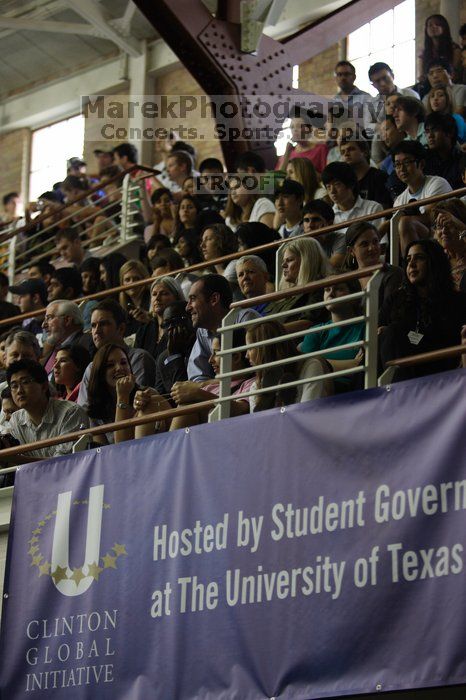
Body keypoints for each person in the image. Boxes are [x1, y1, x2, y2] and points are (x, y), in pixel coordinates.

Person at [378, 239, 466, 380]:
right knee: (389, 334)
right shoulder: (396, 299)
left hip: (439, 371)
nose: (411, 264)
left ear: (434, 263)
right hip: (402, 370)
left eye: (419, 258)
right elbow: (377, 331)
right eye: (408, 259)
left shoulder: (457, 302)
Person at [77, 298, 156, 410]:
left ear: (121, 329)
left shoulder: (139, 358)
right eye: (93, 325)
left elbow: (137, 402)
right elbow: (84, 410)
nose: (96, 331)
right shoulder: (91, 368)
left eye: (103, 324)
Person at [4, 358, 89, 461]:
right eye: (14, 386)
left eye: (25, 382)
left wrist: (15, 459)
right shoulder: (16, 419)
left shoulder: (70, 413)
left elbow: (64, 463)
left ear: (44, 386)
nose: (19, 391)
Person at [186, 274, 259, 382]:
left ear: (214, 299)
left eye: (193, 299)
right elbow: (197, 376)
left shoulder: (246, 319)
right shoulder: (202, 330)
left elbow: (253, 371)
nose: (187, 307)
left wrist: (201, 387)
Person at [299, 278, 365, 394]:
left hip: (352, 389)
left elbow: (364, 366)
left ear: (354, 296)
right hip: (315, 389)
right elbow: (305, 368)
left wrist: (322, 363)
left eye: (339, 289)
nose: (331, 293)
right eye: (327, 289)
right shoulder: (315, 331)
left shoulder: (366, 326)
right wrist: (350, 364)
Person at [392, 140, 453, 254]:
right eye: (397, 164)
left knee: (405, 222)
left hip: (444, 238)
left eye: (407, 162)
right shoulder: (399, 201)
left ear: (421, 164)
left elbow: (432, 218)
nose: (402, 169)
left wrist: (402, 220)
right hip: (425, 244)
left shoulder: (437, 183)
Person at [263, 237, 332, 328]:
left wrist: (270, 333)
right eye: (284, 261)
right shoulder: (286, 293)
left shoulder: (320, 288)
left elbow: (309, 322)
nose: (283, 265)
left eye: (290, 260)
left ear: (306, 261)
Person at [87, 343, 137, 444]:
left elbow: (123, 445)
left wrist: (123, 396)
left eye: (123, 363)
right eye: (110, 365)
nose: (119, 368)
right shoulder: (96, 411)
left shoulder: (144, 395)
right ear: (99, 373)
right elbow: (102, 452)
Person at [345, 222, 404, 304]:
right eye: (364, 244)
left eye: (375, 242)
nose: (372, 248)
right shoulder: (347, 280)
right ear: (351, 251)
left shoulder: (393, 273)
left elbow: (390, 311)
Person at [321, 162, 383, 234]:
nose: (332, 191)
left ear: (351, 185)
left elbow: (381, 243)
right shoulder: (329, 217)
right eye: (328, 187)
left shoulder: (372, 208)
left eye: (337, 184)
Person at [134, 276, 185, 361]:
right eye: (154, 294)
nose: (157, 298)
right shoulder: (144, 331)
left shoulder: (182, 327)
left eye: (164, 293)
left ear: (177, 297)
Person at [153, 301, 196, 396]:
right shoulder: (163, 358)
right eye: (166, 324)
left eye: (175, 321)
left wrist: (175, 356)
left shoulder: (200, 347)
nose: (170, 328)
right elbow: (161, 398)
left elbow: (186, 394)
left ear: (189, 319)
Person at [339, 139, 392, 209]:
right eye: (343, 152)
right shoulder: (346, 184)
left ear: (365, 152)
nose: (346, 154)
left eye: (351, 149)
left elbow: (383, 210)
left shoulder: (379, 177)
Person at [41, 300, 91, 374]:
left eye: (49, 318)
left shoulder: (88, 342)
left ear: (67, 320)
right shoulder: (53, 350)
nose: (43, 325)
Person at [276, 106, 328, 174]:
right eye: (292, 127)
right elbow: (278, 177)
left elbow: (325, 176)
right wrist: (287, 154)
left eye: (299, 126)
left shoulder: (321, 149)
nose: (295, 130)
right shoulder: (288, 152)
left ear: (309, 129)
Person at [419, 15, 462, 92]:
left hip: (450, 83)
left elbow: (455, 71)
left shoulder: (454, 48)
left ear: (444, 27)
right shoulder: (424, 53)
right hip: (430, 86)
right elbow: (422, 76)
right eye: (430, 25)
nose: (433, 27)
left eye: (437, 24)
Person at [423, 113, 464, 189]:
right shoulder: (424, 161)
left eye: (435, 130)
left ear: (450, 132)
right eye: (427, 131)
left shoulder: (462, 160)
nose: (430, 135)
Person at [432, 201, 466, 291]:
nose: (443, 231)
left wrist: (461, 226)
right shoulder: (436, 259)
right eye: (439, 226)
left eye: (449, 225)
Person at [302, 200, 345, 268]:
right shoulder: (299, 242)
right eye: (306, 220)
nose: (310, 225)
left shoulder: (341, 239)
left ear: (330, 223)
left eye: (316, 220)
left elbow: (331, 268)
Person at [118, 260, 150, 336]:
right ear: (122, 283)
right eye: (127, 280)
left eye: (136, 279)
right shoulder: (121, 307)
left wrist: (148, 320)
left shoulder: (153, 298)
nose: (131, 283)